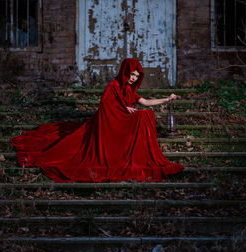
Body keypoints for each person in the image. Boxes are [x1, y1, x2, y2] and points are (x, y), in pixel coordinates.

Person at [11, 58, 184, 183]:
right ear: (125, 71)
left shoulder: (129, 90)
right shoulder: (113, 87)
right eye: (131, 74)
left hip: (122, 123)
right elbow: (107, 109)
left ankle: (139, 155)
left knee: (146, 113)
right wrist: (126, 110)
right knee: (142, 115)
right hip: (109, 125)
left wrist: (167, 99)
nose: (133, 78)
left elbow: (146, 102)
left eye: (136, 76)